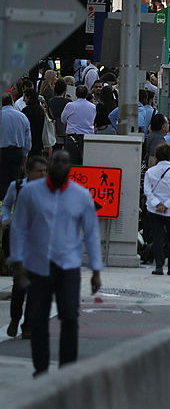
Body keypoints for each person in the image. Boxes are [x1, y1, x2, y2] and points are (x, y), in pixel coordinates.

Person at [9, 150, 102, 377]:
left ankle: (67, 370)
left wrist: (96, 269)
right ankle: (41, 369)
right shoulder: (30, 192)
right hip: (38, 266)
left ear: (70, 167)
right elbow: (18, 228)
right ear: (50, 165)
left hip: (68, 266)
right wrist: (18, 262)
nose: (59, 165)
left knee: (69, 317)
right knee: (38, 320)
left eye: (64, 162)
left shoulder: (81, 196)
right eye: (56, 161)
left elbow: (91, 233)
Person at [2, 155, 48, 338]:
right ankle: (15, 318)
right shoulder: (17, 187)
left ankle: (28, 325)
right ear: (28, 171)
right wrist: (5, 219)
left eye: (45, 171)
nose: (43, 174)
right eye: (39, 171)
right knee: (19, 284)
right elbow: (6, 205)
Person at [143, 143, 170, 276]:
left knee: (157, 238)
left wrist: (157, 204)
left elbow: (147, 191)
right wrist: (166, 205)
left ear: (156, 156)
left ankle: (158, 266)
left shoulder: (150, 172)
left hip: (153, 210)